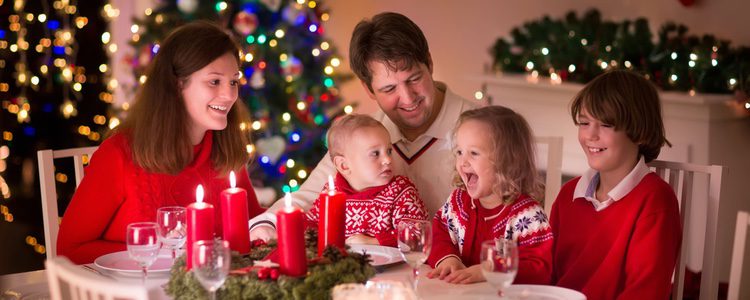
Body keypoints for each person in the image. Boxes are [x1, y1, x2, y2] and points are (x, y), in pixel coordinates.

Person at [249, 12, 479, 240]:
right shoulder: (362, 136)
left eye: (413, 79)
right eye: (389, 89)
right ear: (369, 89)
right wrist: (267, 225)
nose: (408, 98)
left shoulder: (484, 129)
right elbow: (307, 196)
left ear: (429, 63)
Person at [57, 21, 264, 264]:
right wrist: (156, 254)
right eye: (214, 81)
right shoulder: (119, 154)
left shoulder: (226, 154)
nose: (230, 95)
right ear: (178, 85)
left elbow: (255, 227)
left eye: (233, 81)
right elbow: (70, 250)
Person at [550, 70, 681, 299]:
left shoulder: (655, 200)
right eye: (584, 122)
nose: (590, 135)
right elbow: (547, 274)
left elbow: (646, 292)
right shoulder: (568, 194)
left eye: (606, 125)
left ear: (640, 132)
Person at [425, 106, 553, 284]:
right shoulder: (458, 202)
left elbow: (539, 268)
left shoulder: (527, 216)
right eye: (459, 152)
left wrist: (490, 269)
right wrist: (448, 258)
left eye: (474, 153)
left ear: (507, 161)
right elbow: (440, 232)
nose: (463, 161)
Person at [305, 114, 427, 247]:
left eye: (389, 151)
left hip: (394, 266)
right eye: (375, 153)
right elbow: (312, 224)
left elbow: (417, 234)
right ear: (344, 165)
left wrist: (374, 242)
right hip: (343, 265)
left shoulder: (400, 191)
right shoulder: (331, 193)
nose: (388, 159)